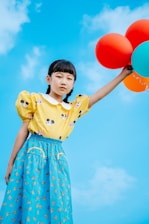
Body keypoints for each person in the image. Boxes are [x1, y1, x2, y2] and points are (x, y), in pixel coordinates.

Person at [0, 59, 133, 224]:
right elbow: (23, 130)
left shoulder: (73, 108)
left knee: (58, 201)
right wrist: (10, 163)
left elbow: (98, 96)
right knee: (30, 197)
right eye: (59, 76)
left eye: (69, 78)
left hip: (57, 158)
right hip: (32, 154)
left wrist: (123, 75)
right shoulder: (35, 100)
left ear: (73, 84)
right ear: (49, 79)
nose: (64, 81)